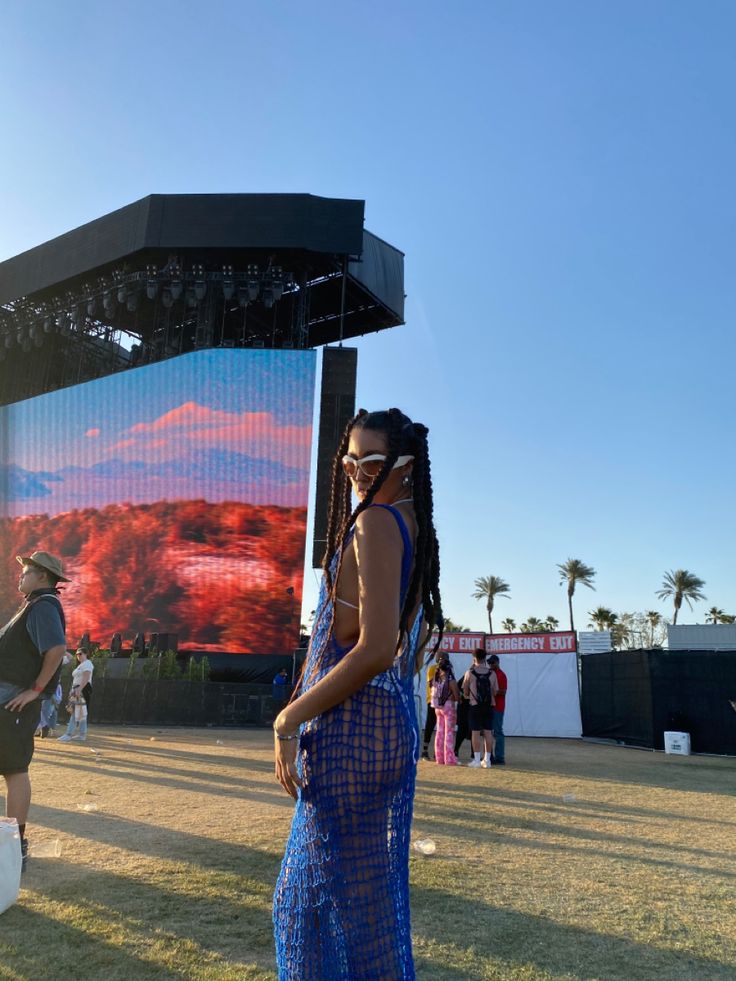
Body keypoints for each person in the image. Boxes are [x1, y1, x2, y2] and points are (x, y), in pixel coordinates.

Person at [272, 408, 443, 980]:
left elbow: (374, 648)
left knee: (304, 908)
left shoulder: (376, 524)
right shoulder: (410, 524)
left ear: (405, 465)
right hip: (383, 727)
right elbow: (398, 647)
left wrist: (288, 720)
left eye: (369, 461)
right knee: (364, 908)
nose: (354, 471)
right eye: (347, 460)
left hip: (354, 730)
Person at [0, 551, 69, 870]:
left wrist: (35, 690)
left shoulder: (43, 606)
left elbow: (56, 649)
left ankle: (16, 847)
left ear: (43, 576)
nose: (20, 576)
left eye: (26, 571)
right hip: (8, 700)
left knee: (14, 770)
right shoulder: (34, 604)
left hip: (12, 702)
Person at [462, 648, 498, 768]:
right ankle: (487, 760)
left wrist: (469, 695)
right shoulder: (492, 673)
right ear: (485, 658)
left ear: (474, 658)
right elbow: (495, 691)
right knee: (488, 732)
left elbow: (465, 691)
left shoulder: (469, 673)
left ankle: (477, 760)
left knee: (475, 732)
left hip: (475, 706)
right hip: (489, 706)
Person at [58, 649, 94, 742]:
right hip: (77, 688)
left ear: (86, 654)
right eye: (77, 654)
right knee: (81, 713)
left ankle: (68, 734)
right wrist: (73, 690)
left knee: (76, 711)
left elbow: (86, 676)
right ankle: (82, 735)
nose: (78, 656)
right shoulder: (80, 665)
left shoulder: (87, 663)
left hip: (82, 689)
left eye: (80, 654)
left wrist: (79, 689)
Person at [431, 655, 461, 765]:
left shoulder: (436, 678)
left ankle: (439, 757)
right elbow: (457, 696)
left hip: (437, 707)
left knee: (439, 732)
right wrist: (457, 696)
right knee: (449, 732)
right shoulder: (450, 679)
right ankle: (449, 758)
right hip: (448, 707)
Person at [421, 651, 441, 759]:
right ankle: (424, 750)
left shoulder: (447, 670)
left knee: (441, 727)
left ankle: (438, 751)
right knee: (430, 725)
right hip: (432, 701)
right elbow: (431, 683)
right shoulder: (432, 668)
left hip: (443, 703)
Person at [489, 654, 508, 765]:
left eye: (492, 663)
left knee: (497, 732)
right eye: (489, 663)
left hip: (498, 707)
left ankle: (500, 758)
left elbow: (504, 691)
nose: (491, 665)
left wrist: (493, 691)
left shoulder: (502, 675)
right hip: (490, 707)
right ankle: (489, 755)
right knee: (488, 732)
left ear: (497, 662)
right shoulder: (490, 674)